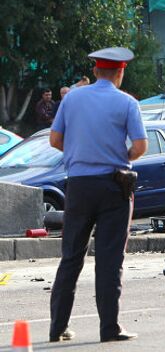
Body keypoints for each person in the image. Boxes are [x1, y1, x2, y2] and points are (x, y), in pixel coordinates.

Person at [49, 47, 148, 343]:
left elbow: (55, 139)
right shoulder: (127, 103)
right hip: (114, 186)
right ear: (120, 72)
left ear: (94, 71)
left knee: (70, 257)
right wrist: (119, 156)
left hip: (78, 185)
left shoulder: (72, 99)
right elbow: (140, 146)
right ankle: (109, 329)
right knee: (109, 259)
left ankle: (57, 328)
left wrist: (81, 154)